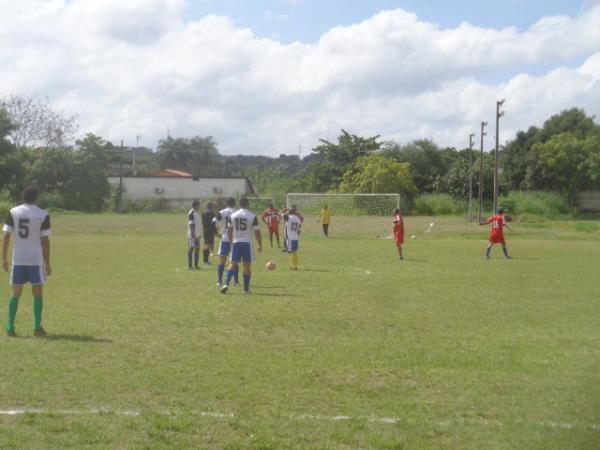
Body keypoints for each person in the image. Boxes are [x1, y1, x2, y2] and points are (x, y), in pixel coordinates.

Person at [2, 186, 52, 337]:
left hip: (18, 259)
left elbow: (6, 237)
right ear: (36, 198)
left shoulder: (13, 211)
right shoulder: (43, 214)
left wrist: (3, 258)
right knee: (37, 292)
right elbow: (45, 241)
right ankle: (37, 327)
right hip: (35, 260)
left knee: (16, 292)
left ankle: (10, 327)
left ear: (23, 197)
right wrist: (47, 262)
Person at [220, 198, 263, 295]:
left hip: (236, 243)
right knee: (247, 266)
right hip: (246, 243)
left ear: (239, 204)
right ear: (248, 204)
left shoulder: (233, 215)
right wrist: (260, 245)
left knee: (233, 264)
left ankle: (225, 284)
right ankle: (246, 289)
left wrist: (231, 243)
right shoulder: (252, 215)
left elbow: (229, 230)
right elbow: (257, 232)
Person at [213, 197, 239, 287]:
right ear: (234, 203)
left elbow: (213, 222)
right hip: (235, 239)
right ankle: (236, 281)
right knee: (235, 261)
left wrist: (217, 234)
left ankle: (219, 281)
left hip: (224, 238)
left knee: (222, 261)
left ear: (226, 203)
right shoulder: (237, 212)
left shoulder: (222, 212)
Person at [187, 200, 201, 270]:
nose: (199, 207)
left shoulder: (196, 213)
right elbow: (191, 224)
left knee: (197, 249)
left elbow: (197, 224)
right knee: (191, 248)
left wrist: (199, 234)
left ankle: (196, 265)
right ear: (195, 205)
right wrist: (194, 235)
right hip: (192, 235)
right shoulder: (191, 213)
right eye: (198, 205)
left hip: (197, 235)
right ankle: (190, 266)